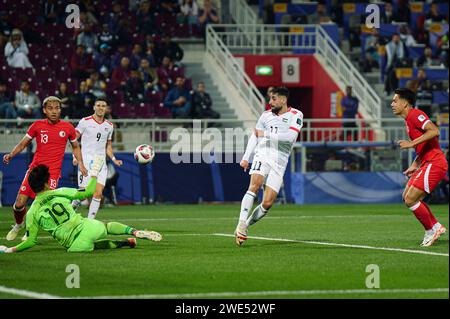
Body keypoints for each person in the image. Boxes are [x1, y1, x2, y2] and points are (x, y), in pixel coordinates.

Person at [0, 160, 161, 254]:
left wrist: (10, 250)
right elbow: (89, 191)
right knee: (105, 226)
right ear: (47, 183)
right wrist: (94, 172)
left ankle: (124, 243)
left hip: (76, 245)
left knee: (95, 246)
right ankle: (134, 231)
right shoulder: (60, 191)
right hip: (88, 227)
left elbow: (31, 241)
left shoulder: (32, 212)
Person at [2, 96, 88, 241]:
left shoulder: (68, 128)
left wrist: (81, 163)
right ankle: (18, 225)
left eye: (57, 108)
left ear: (60, 110)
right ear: (44, 110)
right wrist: (11, 154)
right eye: (50, 108)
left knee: (41, 205)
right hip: (34, 171)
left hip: (52, 174)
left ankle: (29, 232)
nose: (54, 111)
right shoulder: (37, 125)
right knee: (19, 204)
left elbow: (75, 146)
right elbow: (23, 144)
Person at [235, 87, 303, 246]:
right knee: (254, 185)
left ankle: (246, 226)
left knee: (267, 203)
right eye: (270, 99)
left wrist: (264, 134)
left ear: (283, 100)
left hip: (280, 161)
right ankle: (240, 223)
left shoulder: (296, 115)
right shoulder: (265, 116)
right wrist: (246, 158)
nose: (270, 102)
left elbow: (290, 137)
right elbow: (255, 136)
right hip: (263, 153)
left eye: (273, 99)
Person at [391, 88, 447, 247]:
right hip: (427, 162)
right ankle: (436, 226)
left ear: (405, 103)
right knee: (406, 196)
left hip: (435, 163)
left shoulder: (415, 114)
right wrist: (414, 164)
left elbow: (434, 131)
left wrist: (410, 144)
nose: (392, 103)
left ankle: (430, 230)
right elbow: (424, 145)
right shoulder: (408, 120)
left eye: (395, 100)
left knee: (410, 199)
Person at [72, 98, 123, 219]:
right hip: (85, 161)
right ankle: (68, 214)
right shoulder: (85, 121)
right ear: (94, 107)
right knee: (83, 195)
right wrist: (75, 157)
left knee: (98, 194)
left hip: (100, 163)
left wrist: (114, 159)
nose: (100, 108)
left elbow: (108, 146)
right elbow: (73, 140)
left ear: (106, 109)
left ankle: (90, 222)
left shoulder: (109, 126)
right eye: (98, 105)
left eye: (103, 106)